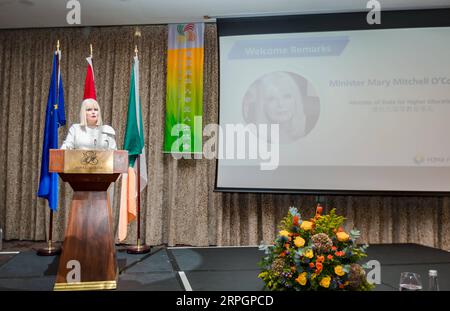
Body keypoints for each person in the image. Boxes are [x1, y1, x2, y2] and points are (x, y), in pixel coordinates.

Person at [242, 71, 319, 144]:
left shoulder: (313, 131)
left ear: (296, 100)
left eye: (287, 96)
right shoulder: (252, 138)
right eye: (271, 99)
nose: (281, 104)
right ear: (263, 106)